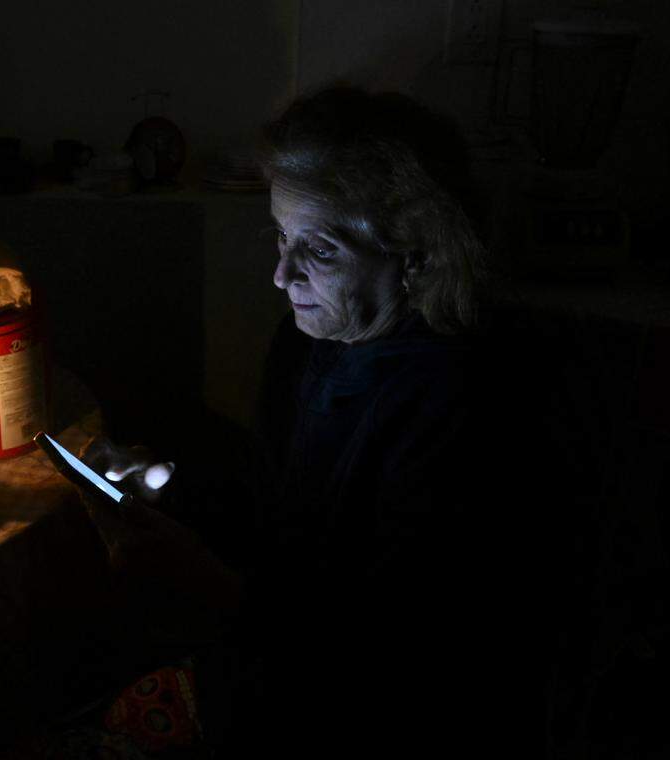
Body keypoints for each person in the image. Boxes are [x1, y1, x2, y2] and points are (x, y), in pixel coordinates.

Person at [79, 86, 550, 758]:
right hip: (267, 668)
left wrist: (209, 588)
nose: (280, 274)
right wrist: (167, 490)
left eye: (319, 251)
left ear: (416, 252)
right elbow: (279, 515)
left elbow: (384, 663)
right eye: (281, 236)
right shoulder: (311, 343)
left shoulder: (458, 408)